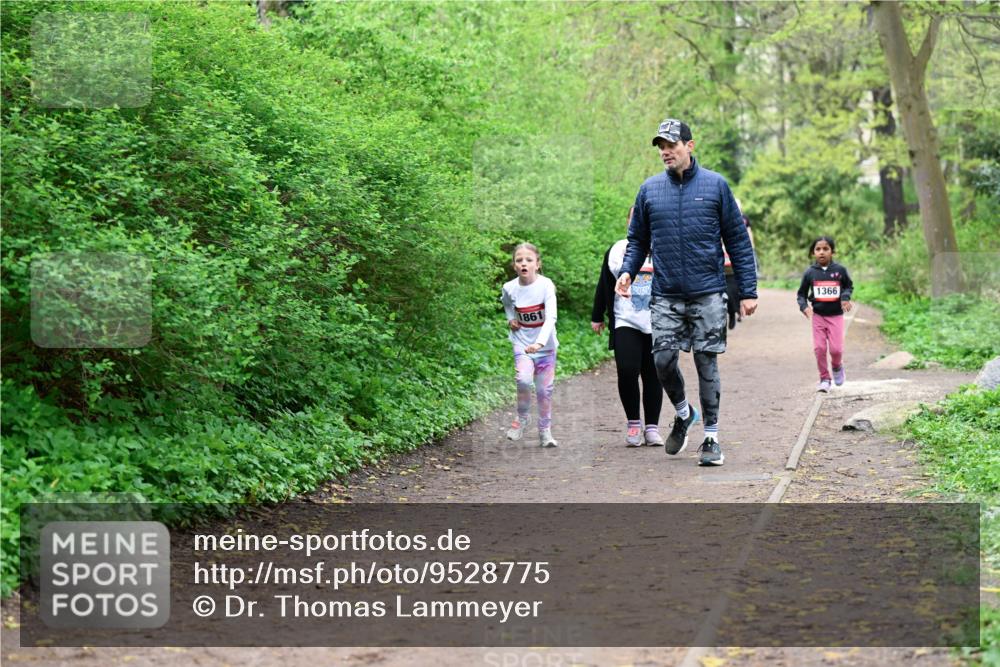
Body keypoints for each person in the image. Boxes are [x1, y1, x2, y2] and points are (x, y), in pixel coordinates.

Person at [616, 119, 757, 467]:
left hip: (707, 291)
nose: (666, 152)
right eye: (661, 147)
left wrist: (748, 290)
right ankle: (683, 413)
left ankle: (711, 438)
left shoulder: (716, 186)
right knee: (662, 360)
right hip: (666, 294)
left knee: (706, 362)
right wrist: (627, 271)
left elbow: (738, 241)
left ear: (689, 146)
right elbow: (637, 240)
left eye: (672, 145)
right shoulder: (649, 190)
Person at [591, 207, 665, 447]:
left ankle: (652, 428)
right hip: (625, 319)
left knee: (653, 373)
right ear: (629, 222)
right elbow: (604, 283)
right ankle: (634, 423)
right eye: (635, 218)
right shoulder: (617, 250)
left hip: (658, 321)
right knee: (627, 369)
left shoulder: (664, 248)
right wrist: (597, 315)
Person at [501, 242, 559, 447]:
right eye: (519, 260)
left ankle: (545, 431)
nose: (524, 263)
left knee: (544, 391)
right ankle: (522, 418)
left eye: (528, 260)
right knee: (523, 380)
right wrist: (510, 318)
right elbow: (507, 303)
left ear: (537, 264)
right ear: (514, 266)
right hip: (522, 343)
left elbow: (551, 318)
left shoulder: (546, 286)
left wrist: (540, 343)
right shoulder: (509, 287)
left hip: (546, 347)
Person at [796, 235, 854, 393]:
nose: (821, 252)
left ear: (832, 252)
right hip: (818, 317)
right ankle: (824, 379)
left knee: (836, 350)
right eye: (818, 249)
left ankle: (837, 366)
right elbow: (801, 294)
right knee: (819, 349)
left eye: (825, 249)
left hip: (836, 316)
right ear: (813, 252)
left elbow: (848, 286)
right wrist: (804, 307)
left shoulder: (840, 271)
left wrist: (845, 298)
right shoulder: (810, 273)